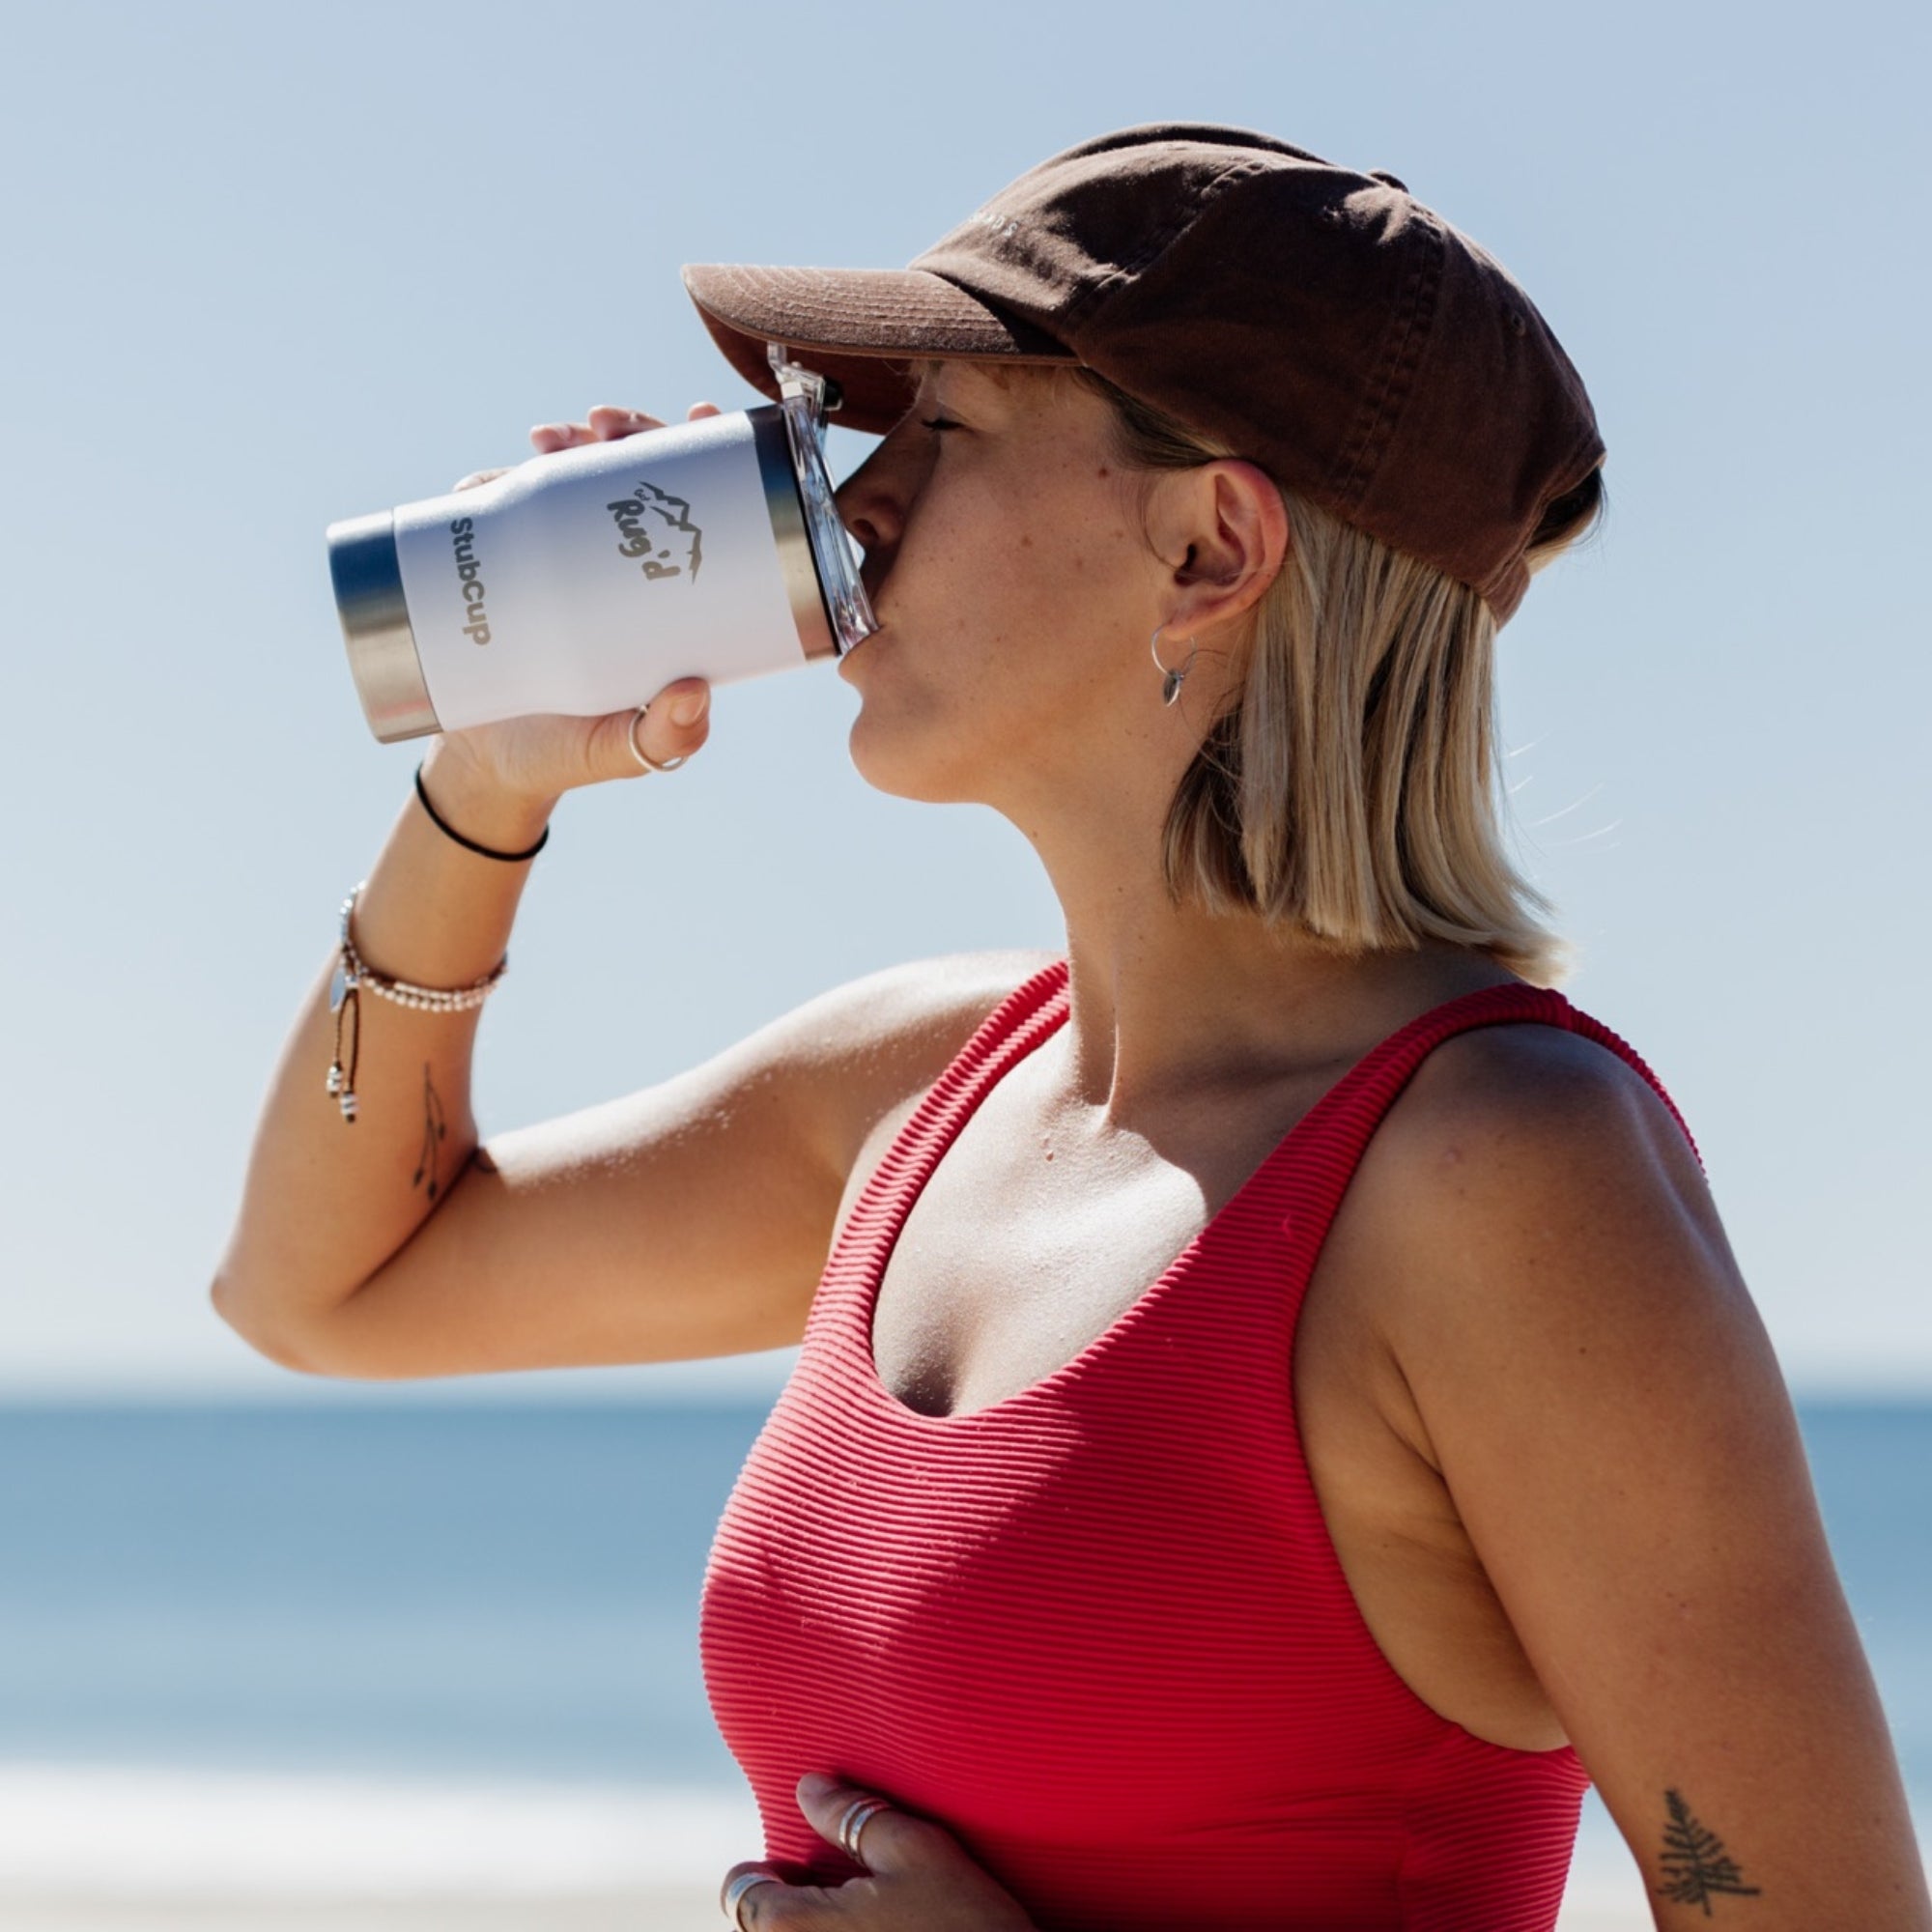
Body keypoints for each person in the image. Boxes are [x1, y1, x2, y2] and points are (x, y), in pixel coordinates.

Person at [214, 126, 1930, 1931]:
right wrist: (486, 791)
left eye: (938, 433)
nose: (855, 506)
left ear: (1207, 543)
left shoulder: (1493, 1173)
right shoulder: (918, 1093)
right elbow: (320, 1289)